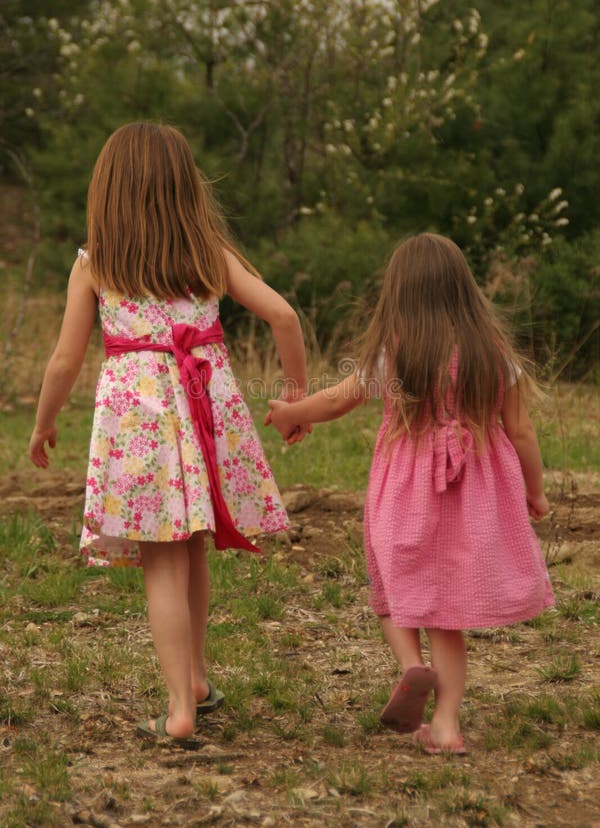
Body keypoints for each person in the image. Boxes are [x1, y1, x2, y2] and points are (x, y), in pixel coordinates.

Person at [29, 122, 309, 749]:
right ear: (187, 189)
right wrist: (295, 399)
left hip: (139, 422)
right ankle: (199, 680)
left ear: (108, 191)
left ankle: (179, 708)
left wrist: (45, 422)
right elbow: (285, 316)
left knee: (162, 556)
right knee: (191, 545)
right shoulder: (211, 255)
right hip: (202, 406)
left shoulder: (95, 263)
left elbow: (63, 362)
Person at [268, 232, 553, 755]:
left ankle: (410, 666)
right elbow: (522, 432)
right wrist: (534, 492)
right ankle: (445, 724)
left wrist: (291, 412)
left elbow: (335, 401)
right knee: (447, 613)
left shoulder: (393, 354)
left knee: (391, 589)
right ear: (463, 290)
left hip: (405, 493)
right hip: (473, 495)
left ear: (398, 294)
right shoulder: (494, 354)